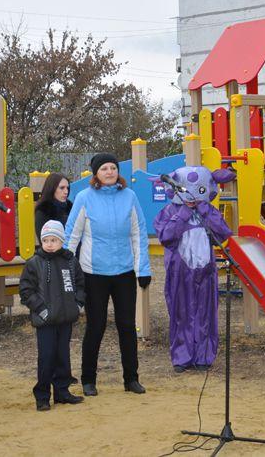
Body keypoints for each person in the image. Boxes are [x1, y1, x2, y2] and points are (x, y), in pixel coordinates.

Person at [64, 153, 150, 396]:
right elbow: (72, 235)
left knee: (126, 326)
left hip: (123, 272)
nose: (110, 172)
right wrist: (66, 270)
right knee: (96, 326)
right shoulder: (84, 197)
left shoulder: (129, 196)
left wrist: (143, 269)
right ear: (96, 174)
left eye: (113, 167)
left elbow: (138, 233)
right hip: (94, 273)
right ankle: (88, 379)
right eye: (104, 169)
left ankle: (131, 378)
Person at [153, 166, 235, 373]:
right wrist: (183, 212)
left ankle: (203, 356)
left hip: (206, 272)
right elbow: (167, 237)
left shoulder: (208, 211)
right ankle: (182, 356)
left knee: (206, 312)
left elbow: (223, 233)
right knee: (181, 313)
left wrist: (204, 209)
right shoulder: (169, 212)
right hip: (179, 272)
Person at [19, 220, 86, 411]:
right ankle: (42, 396)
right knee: (46, 358)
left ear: (61, 241)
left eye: (54, 240)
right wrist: (41, 309)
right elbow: (25, 290)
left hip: (65, 319)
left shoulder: (70, 261)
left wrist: (78, 304)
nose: (49, 244)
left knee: (62, 356)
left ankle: (62, 392)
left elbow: (80, 284)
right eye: (46, 240)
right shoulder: (34, 263)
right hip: (46, 320)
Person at [34, 173, 72, 240]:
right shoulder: (43, 211)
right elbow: (45, 242)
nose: (66, 192)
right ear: (52, 188)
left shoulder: (71, 208)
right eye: (62, 188)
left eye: (67, 188)